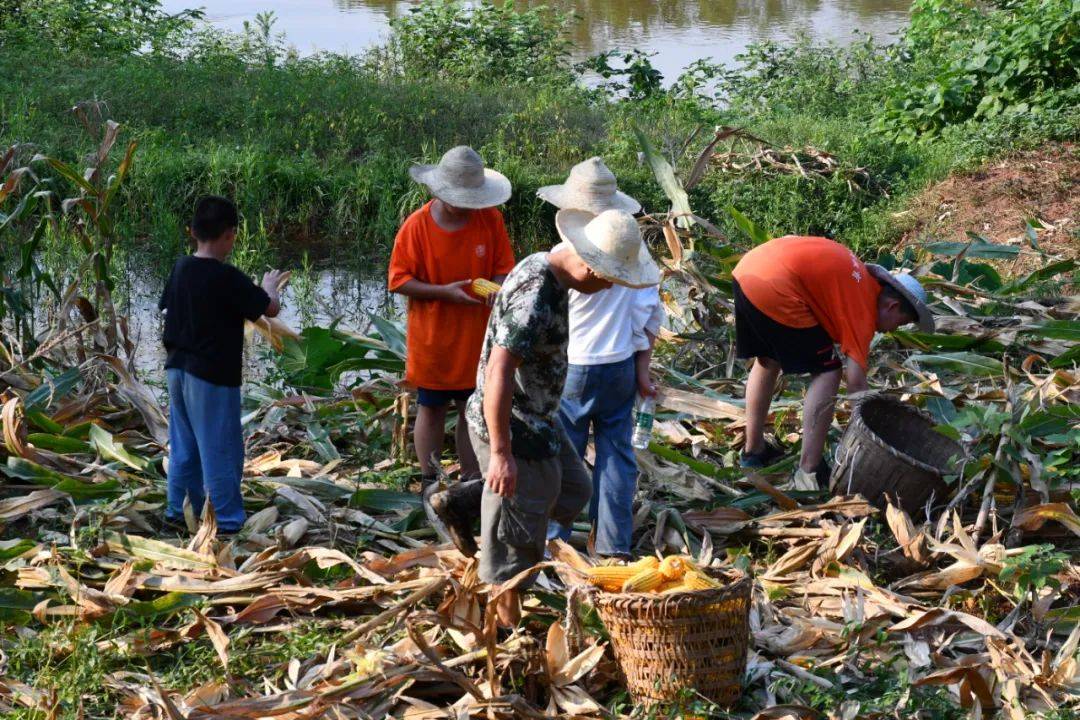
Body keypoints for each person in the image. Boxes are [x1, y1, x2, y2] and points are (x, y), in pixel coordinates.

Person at [444, 208, 661, 627]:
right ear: (588, 266)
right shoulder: (537, 295)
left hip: (541, 417)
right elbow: (498, 372)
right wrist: (501, 453)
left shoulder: (552, 268)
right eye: (608, 280)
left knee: (573, 491)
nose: (607, 288)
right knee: (519, 531)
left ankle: (462, 501)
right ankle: (508, 625)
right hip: (514, 423)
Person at [732, 235, 934, 490]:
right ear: (892, 306)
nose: (892, 331)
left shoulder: (858, 279)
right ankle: (809, 472)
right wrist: (875, 428)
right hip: (777, 288)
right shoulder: (863, 307)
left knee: (768, 361)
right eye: (900, 324)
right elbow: (856, 385)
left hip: (749, 272)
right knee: (828, 371)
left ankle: (754, 451)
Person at [537, 157, 665, 558]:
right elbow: (648, 319)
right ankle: (613, 546)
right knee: (617, 455)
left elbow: (545, 321)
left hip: (574, 367)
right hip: (620, 366)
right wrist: (642, 372)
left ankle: (554, 537)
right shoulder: (632, 252)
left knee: (566, 455)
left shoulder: (566, 254)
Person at [388, 146, 515, 489]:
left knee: (470, 408)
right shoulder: (417, 227)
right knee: (431, 407)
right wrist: (445, 292)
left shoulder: (490, 219)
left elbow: (503, 268)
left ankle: (471, 477)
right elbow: (399, 280)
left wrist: (500, 291)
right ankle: (430, 478)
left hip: (477, 335)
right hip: (433, 338)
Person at [159, 196, 286, 532]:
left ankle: (178, 511)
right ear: (230, 235)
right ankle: (227, 520)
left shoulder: (180, 267)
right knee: (220, 447)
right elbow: (269, 309)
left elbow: (166, 306)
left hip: (176, 368)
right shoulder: (227, 277)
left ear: (194, 232)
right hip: (211, 375)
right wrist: (270, 287)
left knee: (184, 444)